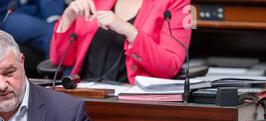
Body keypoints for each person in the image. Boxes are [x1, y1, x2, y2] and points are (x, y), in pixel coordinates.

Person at [49, 0, 192, 84]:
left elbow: (169, 66)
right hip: (85, 95)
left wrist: (129, 31)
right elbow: (61, 60)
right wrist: (67, 18)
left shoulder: (177, 2)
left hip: (133, 103)